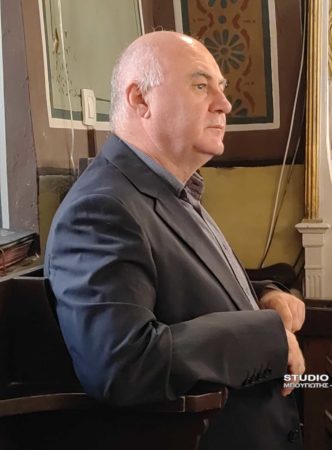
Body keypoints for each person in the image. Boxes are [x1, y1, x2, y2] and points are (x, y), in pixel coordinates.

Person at [44, 31, 305, 450]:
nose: (224, 104)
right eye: (201, 86)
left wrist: (262, 298)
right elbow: (122, 364)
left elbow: (185, 288)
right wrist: (264, 335)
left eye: (222, 87)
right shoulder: (101, 209)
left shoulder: (170, 188)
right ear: (140, 100)